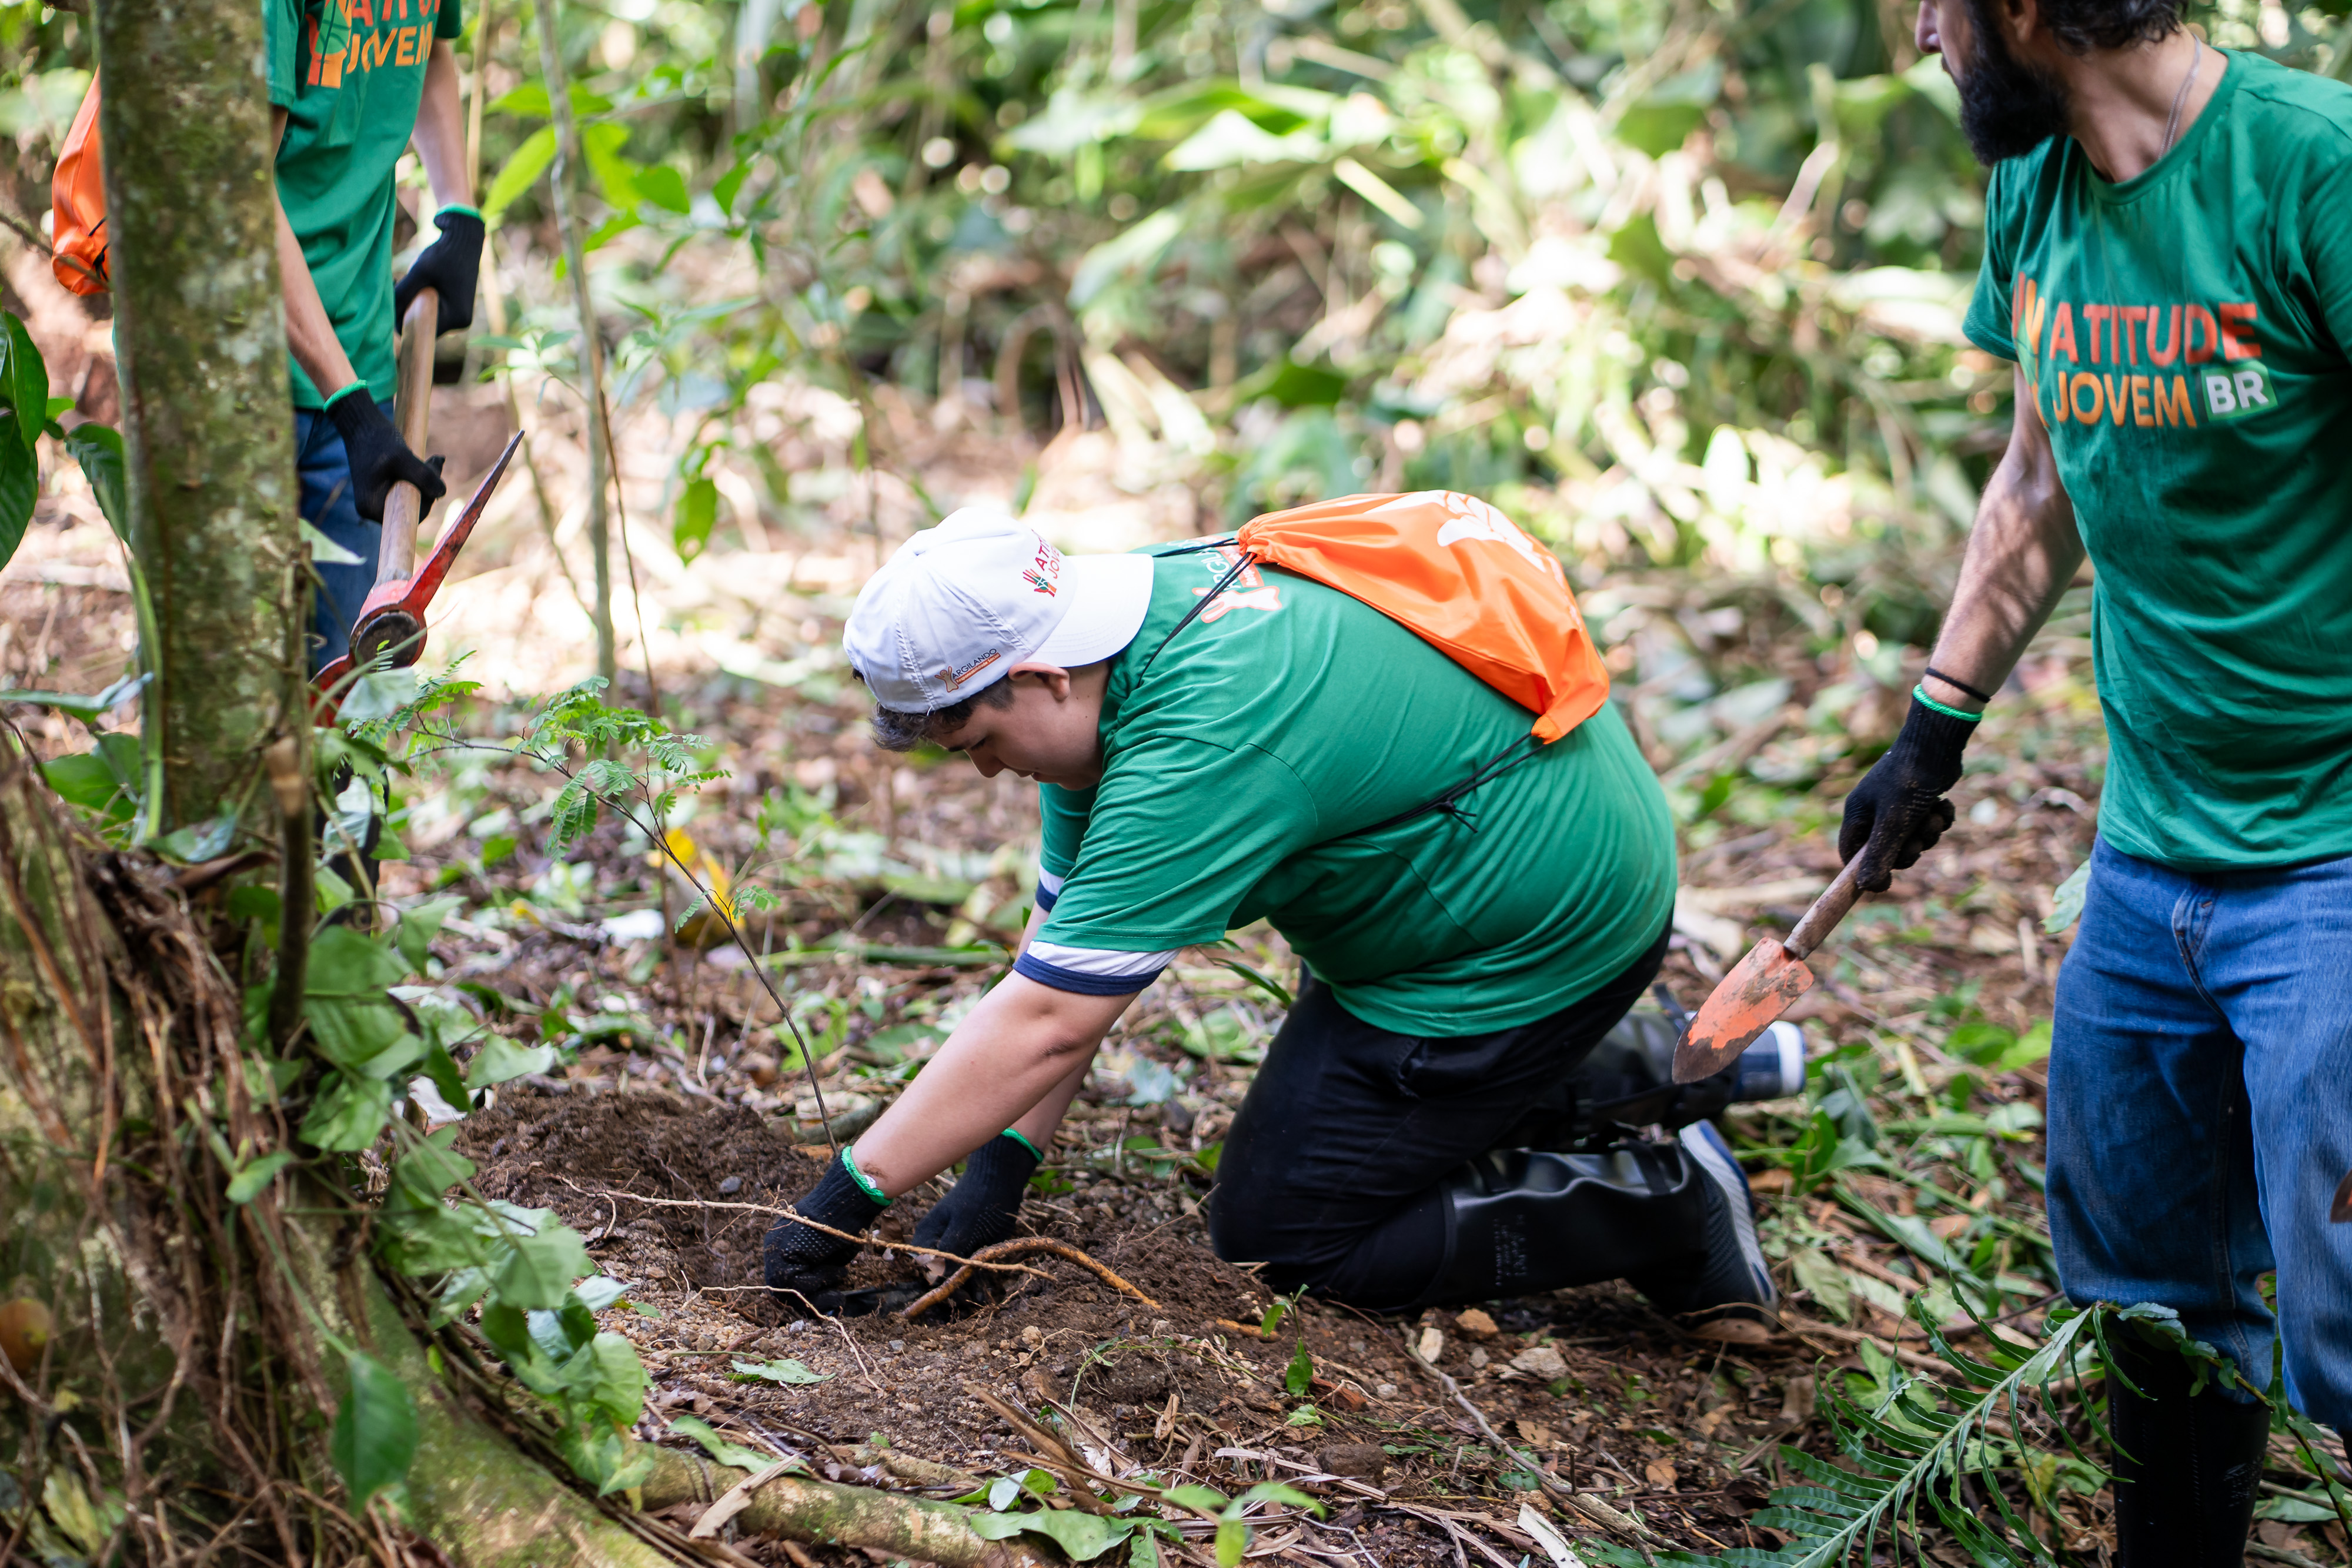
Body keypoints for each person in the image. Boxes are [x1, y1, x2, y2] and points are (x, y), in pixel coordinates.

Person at [761, 504, 1790, 1328]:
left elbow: (1049, 1023)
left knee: (1286, 1236)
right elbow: (1057, 963)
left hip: (1520, 948)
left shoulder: (1198, 744)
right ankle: (1646, 1059)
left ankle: (1657, 1197)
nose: (984, 765)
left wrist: (844, 1201)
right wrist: (995, 1175)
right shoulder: (1121, 643)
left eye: (974, 736)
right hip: (1506, 874)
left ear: (1035, 675)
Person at [1839, 1, 2352, 1560]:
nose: (1918, 33)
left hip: (2333, 854)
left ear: (2026, 7)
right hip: (2153, 859)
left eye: (1935, 1)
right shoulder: (2036, 186)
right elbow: (2038, 474)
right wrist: (1937, 723)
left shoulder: (2308, 170)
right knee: (2144, 1277)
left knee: (2344, 1308)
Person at [269, 0, 483, 667]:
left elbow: (427, 49)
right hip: (229, 372)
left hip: (355, 363)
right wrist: (355, 412)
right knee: (222, 688)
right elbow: (236, 196)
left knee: (345, 688)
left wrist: (458, 214)